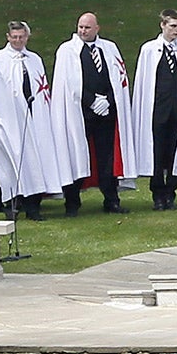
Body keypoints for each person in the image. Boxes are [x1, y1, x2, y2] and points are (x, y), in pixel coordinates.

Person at [49, 13, 133, 214]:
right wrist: (91, 100)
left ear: (97, 28)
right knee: (75, 153)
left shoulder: (109, 49)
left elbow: (119, 78)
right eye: (80, 27)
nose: (83, 31)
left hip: (106, 114)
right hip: (79, 113)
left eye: (87, 27)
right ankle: (72, 201)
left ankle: (111, 199)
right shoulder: (67, 51)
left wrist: (108, 100)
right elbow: (66, 83)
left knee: (107, 157)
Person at [0, 22, 49, 220]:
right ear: (8, 37)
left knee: (35, 160)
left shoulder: (34, 59)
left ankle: (34, 205)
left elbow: (41, 87)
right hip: (10, 120)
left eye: (21, 37)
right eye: (14, 37)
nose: (17, 40)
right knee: (13, 162)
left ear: (27, 37)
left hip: (34, 117)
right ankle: (12, 203)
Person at [136, 11, 177, 212]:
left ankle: (171, 191)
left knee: (174, 151)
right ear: (162, 25)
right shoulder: (150, 49)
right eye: (172, 26)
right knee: (157, 152)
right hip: (157, 109)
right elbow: (144, 82)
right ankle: (157, 193)